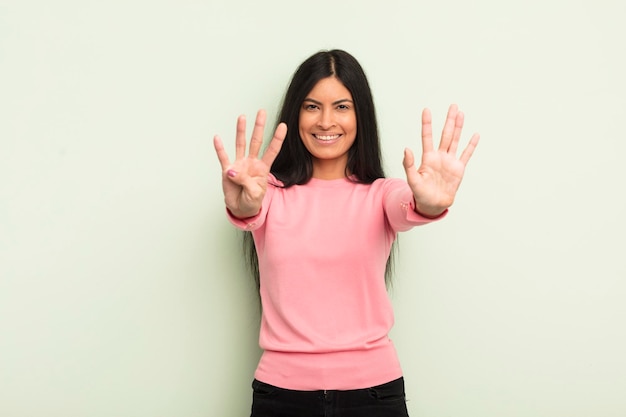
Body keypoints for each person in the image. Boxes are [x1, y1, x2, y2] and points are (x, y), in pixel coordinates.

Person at [213, 49, 479, 417]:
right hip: (281, 396)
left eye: (341, 106)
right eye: (311, 107)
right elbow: (248, 210)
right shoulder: (267, 194)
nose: (325, 121)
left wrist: (431, 202)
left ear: (360, 115)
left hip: (373, 397)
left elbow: (410, 207)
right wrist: (241, 203)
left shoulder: (381, 194)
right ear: (295, 113)